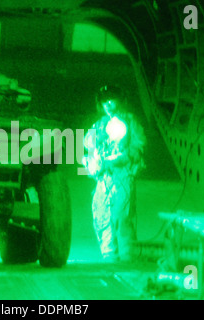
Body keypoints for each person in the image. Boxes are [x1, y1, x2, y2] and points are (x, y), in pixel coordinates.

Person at [83, 85, 145, 262]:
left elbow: (138, 147)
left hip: (122, 177)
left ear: (120, 100)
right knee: (102, 217)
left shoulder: (130, 121)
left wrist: (122, 158)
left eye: (111, 99)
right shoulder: (99, 125)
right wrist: (92, 162)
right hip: (103, 179)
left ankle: (127, 258)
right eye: (104, 101)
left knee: (122, 218)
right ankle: (109, 257)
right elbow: (88, 147)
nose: (107, 104)